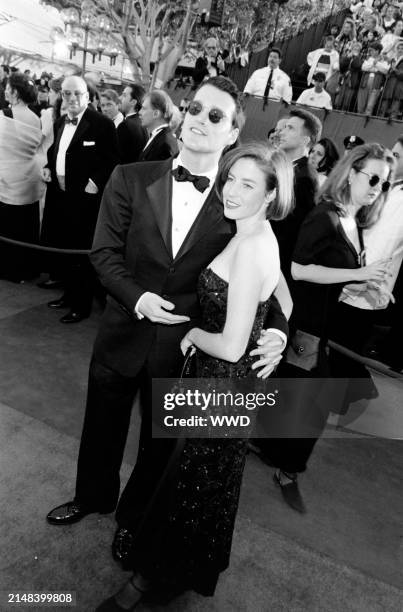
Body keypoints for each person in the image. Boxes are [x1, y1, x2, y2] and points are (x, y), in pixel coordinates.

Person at [45, 77, 288, 567]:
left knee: (159, 446)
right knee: (101, 426)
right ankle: (92, 496)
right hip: (122, 329)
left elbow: (268, 270)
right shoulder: (131, 177)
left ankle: (134, 521)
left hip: (186, 351)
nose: (200, 118)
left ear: (233, 130)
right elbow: (104, 253)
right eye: (194, 108)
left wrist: (279, 328)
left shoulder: (237, 198)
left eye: (215, 115)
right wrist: (138, 298)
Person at [95, 141, 294, 610]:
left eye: (249, 184)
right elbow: (278, 295)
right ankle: (172, 568)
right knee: (193, 486)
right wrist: (275, 335)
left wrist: (194, 336)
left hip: (219, 382)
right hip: (220, 383)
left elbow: (229, 341)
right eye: (231, 179)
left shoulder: (252, 244)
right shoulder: (252, 234)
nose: (232, 190)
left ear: (270, 195)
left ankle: (148, 581)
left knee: (187, 487)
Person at [265, 143, 394, 513]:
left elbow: (331, 274)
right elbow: (300, 269)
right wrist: (358, 274)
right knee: (311, 402)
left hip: (323, 328)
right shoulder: (326, 216)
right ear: (350, 172)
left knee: (295, 396)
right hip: (304, 326)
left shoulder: (353, 220)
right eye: (371, 178)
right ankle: (286, 467)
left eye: (383, 183)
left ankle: (275, 455)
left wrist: (366, 284)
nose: (376, 188)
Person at [40, 76, 119, 323]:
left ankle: (80, 305)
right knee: (64, 250)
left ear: (87, 96)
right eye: (66, 94)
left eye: (77, 93)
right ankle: (68, 295)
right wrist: (47, 166)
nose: (72, 98)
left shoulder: (102, 124)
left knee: (81, 255)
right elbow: (57, 152)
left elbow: (113, 160)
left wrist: (94, 182)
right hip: (61, 197)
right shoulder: (60, 122)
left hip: (86, 202)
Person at [340, 136, 403, 369]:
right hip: (346, 276)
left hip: (369, 288)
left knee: (346, 354)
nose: (390, 158)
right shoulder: (383, 184)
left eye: (396, 155)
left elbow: (386, 242)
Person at [0, 72, 43, 282]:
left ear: (15, 92)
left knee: (8, 230)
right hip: (30, 182)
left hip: (8, 183)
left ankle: (9, 270)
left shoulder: (4, 116)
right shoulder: (37, 117)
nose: (5, 90)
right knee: (26, 228)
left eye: (7, 87)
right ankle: (27, 270)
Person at [271, 108, 322, 279]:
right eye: (284, 126)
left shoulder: (305, 178)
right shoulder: (282, 165)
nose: (282, 132)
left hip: (275, 262)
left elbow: (292, 232)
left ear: (305, 140)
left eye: (290, 128)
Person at [138, 89, 179, 161]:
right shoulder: (161, 137)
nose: (139, 112)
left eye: (144, 108)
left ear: (156, 114)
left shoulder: (165, 144)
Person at [117, 83, 148, 164]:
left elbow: (117, 157)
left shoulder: (126, 125)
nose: (119, 98)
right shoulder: (142, 123)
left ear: (133, 102)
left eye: (124, 95)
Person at [357, 42, 389, 114]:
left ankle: (366, 122)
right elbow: (363, 67)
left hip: (376, 86)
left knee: (370, 106)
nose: (370, 52)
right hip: (364, 84)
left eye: (372, 50)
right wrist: (374, 64)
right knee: (360, 106)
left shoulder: (384, 60)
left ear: (377, 51)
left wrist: (376, 64)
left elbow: (385, 70)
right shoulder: (368, 58)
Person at [379, 38, 403, 118]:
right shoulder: (393, 59)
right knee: (385, 102)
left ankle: (392, 120)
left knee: (396, 103)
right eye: (398, 48)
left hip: (399, 86)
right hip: (390, 84)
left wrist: (394, 69)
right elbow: (383, 54)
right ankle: (380, 118)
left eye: (402, 48)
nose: (400, 50)